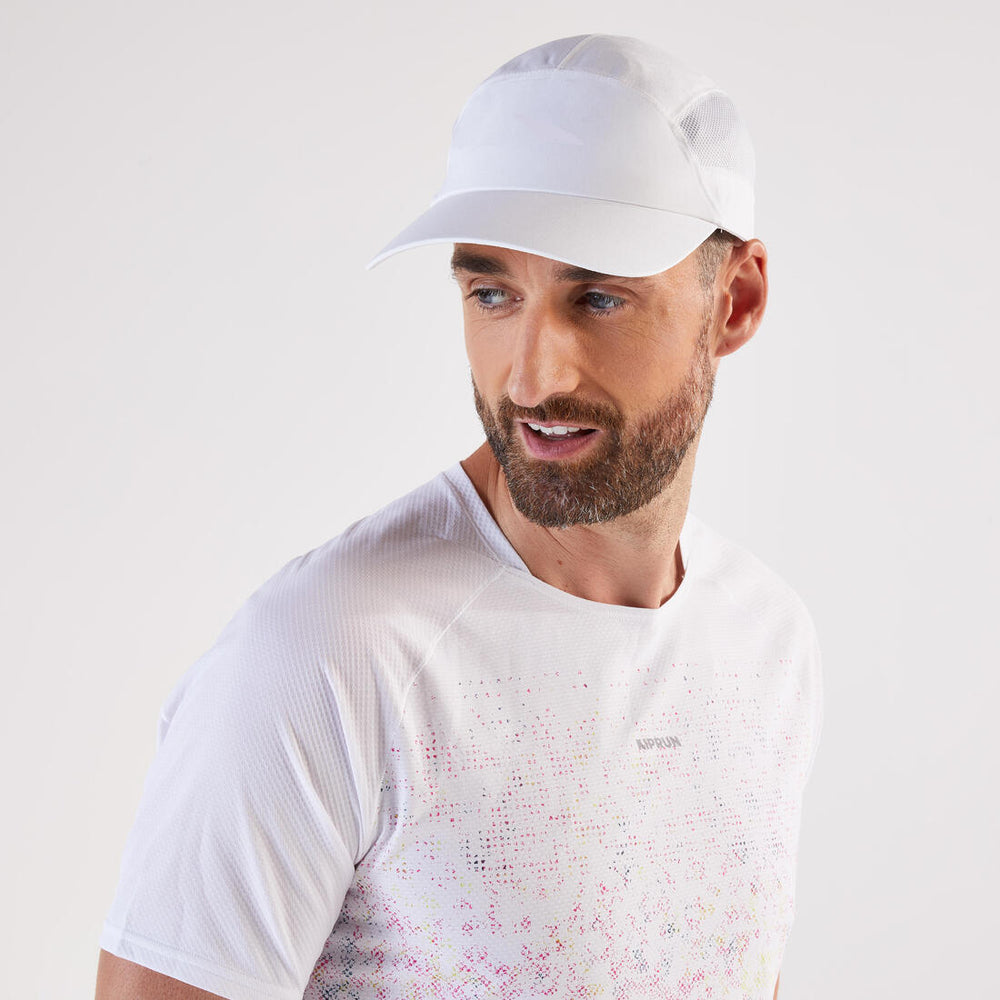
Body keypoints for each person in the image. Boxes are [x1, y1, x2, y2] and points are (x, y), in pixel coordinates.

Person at [96, 33, 822, 1000]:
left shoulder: (765, 645)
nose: (532, 376)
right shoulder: (324, 659)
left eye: (598, 298)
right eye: (492, 293)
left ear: (735, 301)